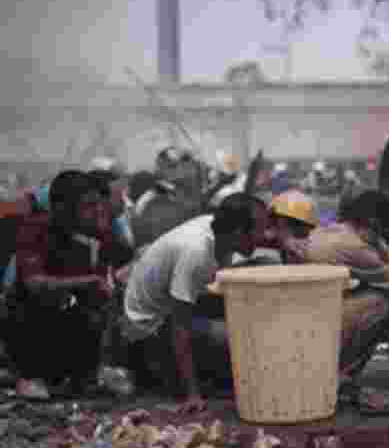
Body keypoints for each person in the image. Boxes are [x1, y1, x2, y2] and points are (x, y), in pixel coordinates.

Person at [120, 193, 264, 411]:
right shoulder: (196, 252)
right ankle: (178, 378)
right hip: (150, 328)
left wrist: (286, 240)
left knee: (254, 286)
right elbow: (180, 326)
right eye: (259, 230)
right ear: (238, 232)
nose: (264, 236)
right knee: (234, 336)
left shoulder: (218, 228)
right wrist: (193, 394)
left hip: (172, 302)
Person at [6, 171, 133, 399]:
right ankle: (30, 375)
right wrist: (88, 281)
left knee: (101, 306)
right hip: (32, 316)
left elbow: (113, 272)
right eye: (88, 205)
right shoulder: (37, 229)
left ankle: (86, 375)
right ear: (65, 208)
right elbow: (33, 282)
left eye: (98, 204)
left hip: (74, 315)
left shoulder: (97, 233)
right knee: (40, 301)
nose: (97, 210)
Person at [296, 190, 389, 378]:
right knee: (384, 301)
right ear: (374, 223)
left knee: (364, 290)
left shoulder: (325, 231)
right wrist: (380, 243)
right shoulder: (357, 247)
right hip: (317, 325)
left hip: (302, 318)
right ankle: (341, 371)